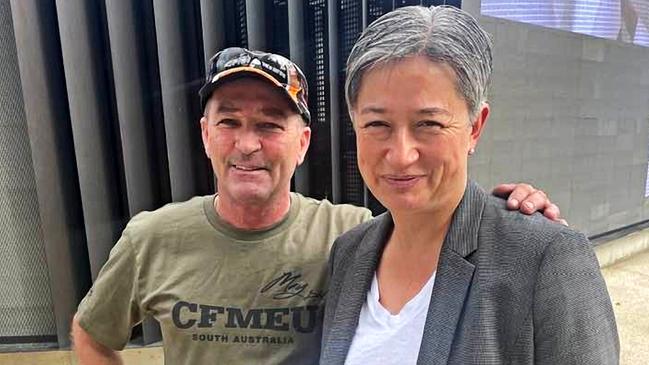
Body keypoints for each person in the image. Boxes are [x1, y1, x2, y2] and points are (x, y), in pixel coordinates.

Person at [71, 47, 564, 365]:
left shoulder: (353, 235)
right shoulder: (152, 236)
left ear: (302, 143)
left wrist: (513, 212)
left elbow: (445, 231)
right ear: (205, 135)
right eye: (229, 122)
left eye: (269, 125)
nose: (247, 144)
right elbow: (92, 332)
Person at [320, 6, 619, 365]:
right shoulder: (349, 253)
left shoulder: (544, 259)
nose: (400, 155)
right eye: (377, 124)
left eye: (428, 124)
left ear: (475, 126)